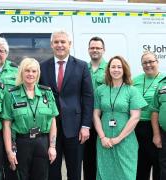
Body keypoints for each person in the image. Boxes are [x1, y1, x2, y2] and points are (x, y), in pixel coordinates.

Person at [39, 30, 94, 180]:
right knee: (53, 170)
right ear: (51, 45)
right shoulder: (42, 67)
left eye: (63, 42)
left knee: (75, 170)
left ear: (70, 44)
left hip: (75, 128)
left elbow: (88, 97)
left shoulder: (81, 66)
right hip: (50, 128)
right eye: (56, 42)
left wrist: (85, 126)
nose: (60, 45)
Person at [1, 57, 58, 180]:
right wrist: (9, 151)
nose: (30, 74)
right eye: (27, 70)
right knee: (21, 176)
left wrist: (52, 147)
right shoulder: (11, 94)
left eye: (34, 71)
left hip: (42, 142)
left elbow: (52, 120)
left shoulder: (46, 93)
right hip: (21, 143)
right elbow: (7, 125)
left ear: (38, 73)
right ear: (21, 72)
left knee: (41, 176)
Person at [93, 55, 147, 180]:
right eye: (113, 67)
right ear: (108, 69)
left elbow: (135, 117)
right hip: (104, 140)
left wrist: (119, 138)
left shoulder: (132, 90)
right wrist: (102, 137)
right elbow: (95, 115)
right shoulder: (100, 90)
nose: (116, 70)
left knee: (126, 174)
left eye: (119, 67)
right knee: (104, 173)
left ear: (124, 70)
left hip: (126, 140)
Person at [0, 37, 18, 180]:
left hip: (11, 124)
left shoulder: (16, 71)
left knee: (12, 163)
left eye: (1, 51)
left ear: (6, 53)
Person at [133, 51, 164, 180]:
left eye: (151, 61)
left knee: (158, 164)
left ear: (157, 62)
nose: (148, 65)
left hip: (156, 128)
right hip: (137, 127)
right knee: (140, 165)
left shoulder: (164, 81)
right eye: (145, 63)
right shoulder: (135, 80)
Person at [83, 36, 107, 180]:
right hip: (86, 119)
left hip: (104, 119)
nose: (95, 50)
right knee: (88, 157)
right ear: (88, 50)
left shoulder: (110, 68)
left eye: (98, 48)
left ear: (103, 50)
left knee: (104, 156)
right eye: (92, 48)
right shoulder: (82, 68)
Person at [151, 75, 166, 180]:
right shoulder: (162, 84)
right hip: (164, 134)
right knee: (164, 167)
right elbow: (155, 110)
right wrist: (156, 135)